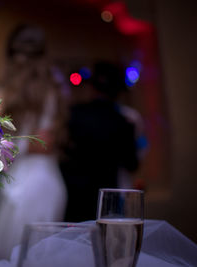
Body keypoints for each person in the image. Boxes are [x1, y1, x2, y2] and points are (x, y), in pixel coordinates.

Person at [0, 24, 68, 262]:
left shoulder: (49, 89)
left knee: (25, 256)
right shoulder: (32, 88)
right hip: (20, 180)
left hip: (36, 185)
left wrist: (2, 146)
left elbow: (44, 142)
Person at [59, 61, 139, 222]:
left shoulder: (73, 114)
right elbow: (132, 164)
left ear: (92, 88)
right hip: (107, 199)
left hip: (74, 196)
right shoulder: (123, 122)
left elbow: (61, 151)